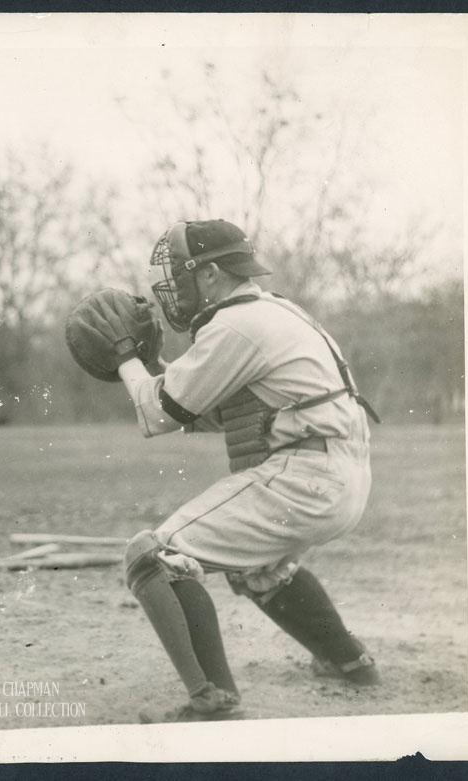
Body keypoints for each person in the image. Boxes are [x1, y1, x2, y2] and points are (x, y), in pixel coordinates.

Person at [116, 219, 380, 721]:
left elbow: (159, 414)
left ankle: (212, 699)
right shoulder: (276, 311)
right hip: (339, 475)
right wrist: (153, 369)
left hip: (307, 477)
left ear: (211, 273)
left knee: (153, 557)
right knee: (257, 568)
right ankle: (349, 662)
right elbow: (214, 410)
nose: (172, 284)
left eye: (180, 271)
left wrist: (124, 358)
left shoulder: (236, 323)